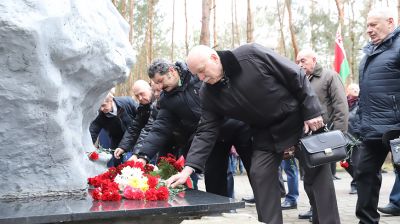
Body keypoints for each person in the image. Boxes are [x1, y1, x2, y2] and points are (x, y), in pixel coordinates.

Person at [167, 43, 340, 224]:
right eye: (197, 75)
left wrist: (312, 111)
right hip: (264, 133)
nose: (201, 78)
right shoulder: (208, 93)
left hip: (298, 121)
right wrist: (188, 168)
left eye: (202, 71)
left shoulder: (250, 55)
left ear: (214, 58)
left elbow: (295, 75)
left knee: (318, 173)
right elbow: (206, 130)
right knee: (259, 174)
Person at [134, 59, 252, 198]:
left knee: (256, 170)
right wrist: (143, 156)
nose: (159, 87)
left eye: (160, 81)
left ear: (171, 71)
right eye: (156, 83)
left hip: (236, 125)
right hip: (210, 137)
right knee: (214, 179)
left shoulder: (197, 74)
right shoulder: (167, 100)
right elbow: (160, 128)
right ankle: (221, 213)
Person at [355, 7, 400, 223]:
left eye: (373, 24)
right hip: (372, 130)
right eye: (367, 26)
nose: (369, 30)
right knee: (363, 174)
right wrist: (359, 123)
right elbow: (365, 95)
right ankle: (366, 221)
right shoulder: (367, 55)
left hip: (397, 129)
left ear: (390, 22)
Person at [295, 48, 349, 221]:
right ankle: (315, 210)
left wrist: (340, 136)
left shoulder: (329, 76)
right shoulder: (299, 80)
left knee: (322, 181)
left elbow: (341, 106)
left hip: (324, 137)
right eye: (297, 61)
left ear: (314, 59)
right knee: (308, 179)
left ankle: (325, 216)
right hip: (304, 138)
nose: (299, 64)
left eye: (303, 60)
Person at [89, 92, 138, 167]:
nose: (101, 109)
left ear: (111, 100)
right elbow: (93, 130)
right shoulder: (100, 115)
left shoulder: (127, 102)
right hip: (117, 141)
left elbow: (141, 119)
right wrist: (88, 148)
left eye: (103, 105)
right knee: (117, 165)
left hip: (135, 137)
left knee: (135, 162)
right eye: (100, 106)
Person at [113, 80, 158, 161]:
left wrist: (137, 154)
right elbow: (134, 128)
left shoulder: (159, 103)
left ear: (150, 89)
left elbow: (148, 129)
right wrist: (122, 147)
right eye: (137, 96)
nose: (140, 98)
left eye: (142, 93)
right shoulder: (143, 107)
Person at [345, 83, 361, 195]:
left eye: (357, 88)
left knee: (356, 162)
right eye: (352, 88)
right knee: (344, 162)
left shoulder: (361, 102)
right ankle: (358, 179)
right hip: (344, 136)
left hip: (356, 137)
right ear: (347, 91)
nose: (355, 90)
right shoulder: (343, 102)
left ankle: (355, 185)